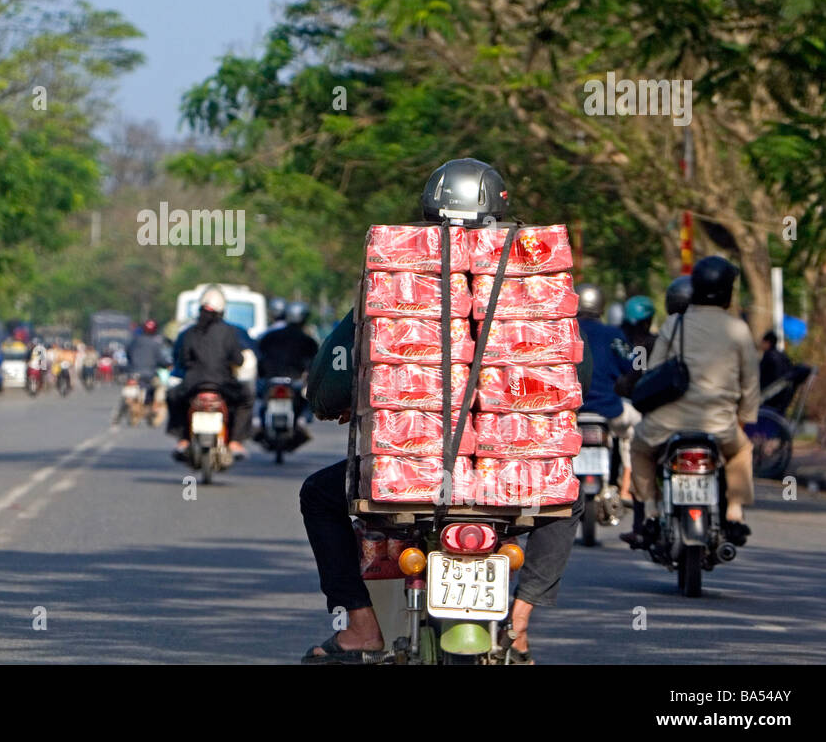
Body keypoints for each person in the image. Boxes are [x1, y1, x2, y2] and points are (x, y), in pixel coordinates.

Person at [300, 158, 586, 663]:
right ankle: (519, 622)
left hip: (409, 477)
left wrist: (343, 402)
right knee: (563, 495)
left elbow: (330, 379)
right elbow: (560, 375)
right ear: (499, 205)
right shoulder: (531, 279)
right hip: (509, 480)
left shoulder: (396, 274)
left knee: (320, 494)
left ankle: (361, 628)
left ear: (431, 209)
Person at [622, 256, 759, 549]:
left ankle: (651, 509)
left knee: (639, 448)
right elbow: (750, 382)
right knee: (742, 451)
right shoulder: (739, 329)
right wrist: (744, 418)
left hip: (667, 424)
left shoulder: (675, 323)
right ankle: (734, 512)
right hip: (719, 425)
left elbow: (654, 371)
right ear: (728, 291)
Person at [165, 285, 252, 460]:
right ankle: (235, 442)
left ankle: (183, 440)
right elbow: (238, 360)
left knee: (173, 397)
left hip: (193, 383)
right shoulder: (230, 332)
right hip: (223, 384)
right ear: (221, 311)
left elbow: (183, 360)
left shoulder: (188, 333)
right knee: (246, 399)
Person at [577, 285, 641, 502]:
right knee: (636, 430)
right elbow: (633, 366)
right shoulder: (614, 335)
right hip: (608, 408)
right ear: (601, 307)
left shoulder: (563, 331)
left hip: (570, 412)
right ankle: (626, 487)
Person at [255, 300, 319, 448]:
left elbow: (260, 358)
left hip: (271, 380)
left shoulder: (269, 336)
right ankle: (302, 421)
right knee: (309, 395)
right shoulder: (308, 340)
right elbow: (313, 364)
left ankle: (258, 422)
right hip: (293, 381)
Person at [113, 320, 168, 422]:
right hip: (149, 376)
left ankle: (118, 416)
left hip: (133, 373)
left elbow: (128, 354)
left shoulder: (134, 341)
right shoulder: (156, 344)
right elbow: (161, 360)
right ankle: (155, 407)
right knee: (161, 388)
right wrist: (166, 364)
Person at [758, 331, 794, 414]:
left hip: (769, 398)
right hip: (782, 399)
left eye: (763, 342)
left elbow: (758, 376)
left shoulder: (768, 357)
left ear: (768, 343)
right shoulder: (783, 356)